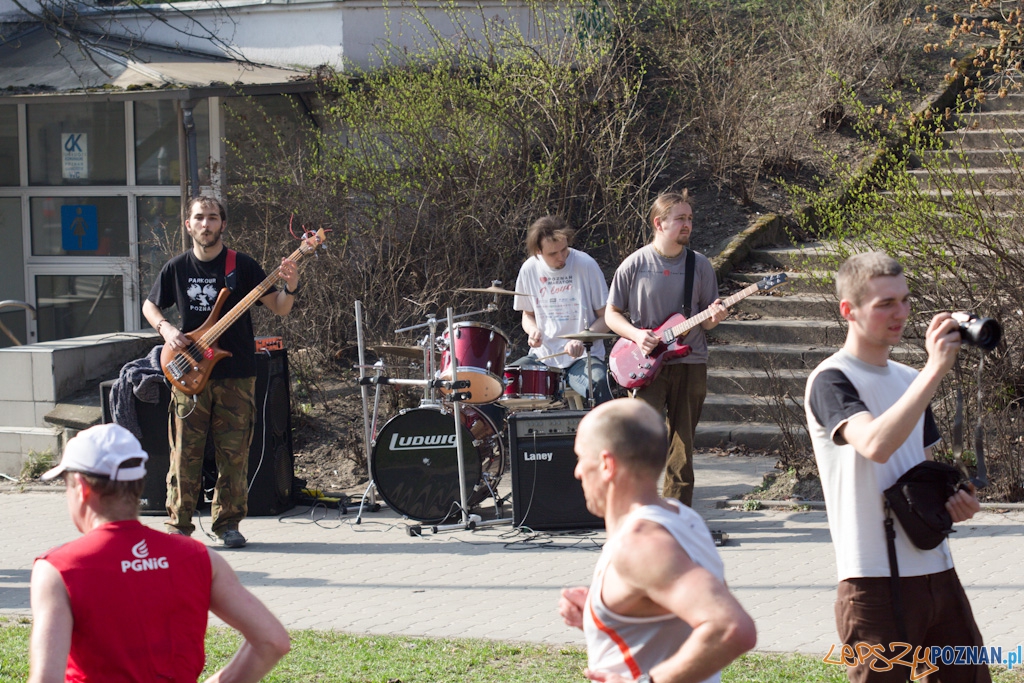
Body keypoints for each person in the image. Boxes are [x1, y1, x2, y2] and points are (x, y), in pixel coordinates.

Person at [804, 252, 988, 683]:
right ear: (848, 310)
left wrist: (954, 502)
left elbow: (918, 472)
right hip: (872, 580)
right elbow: (876, 445)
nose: (900, 313)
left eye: (904, 301)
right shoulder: (831, 378)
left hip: (936, 570)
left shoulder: (909, 379)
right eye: (885, 303)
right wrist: (935, 369)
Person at [29, 423, 290, 683]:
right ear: (138, 484)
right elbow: (272, 640)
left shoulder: (58, 569)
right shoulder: (199, 558)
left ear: (81, 486)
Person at [558, 399, 756, 683]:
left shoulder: (641, 545)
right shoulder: (682, 518)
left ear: (606, 464)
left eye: (580, 457)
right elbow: (673, 616)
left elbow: (731, 627)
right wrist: (598, 617)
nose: (577, 471)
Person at [142, 195, 300, 548]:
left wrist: (290, 284)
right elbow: (150, 305)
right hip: (188, 371)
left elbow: (280, 308)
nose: (206, 224)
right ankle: (178, 526)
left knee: (234, 453)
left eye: (213, 218)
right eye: (199, 218)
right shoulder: (177, 267)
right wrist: (166, 329)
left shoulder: (241, 266)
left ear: (222, 224)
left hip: (236, 372)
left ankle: (227, 524)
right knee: (185, 452)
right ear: (189, 225)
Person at [605, 191, 728, 506]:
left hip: (691, 361)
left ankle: (677, 511)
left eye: (689, 219)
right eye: (680, 219)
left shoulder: (699, 265)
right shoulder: (634, 264)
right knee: (641, 436)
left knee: (683, 443)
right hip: (646, 363)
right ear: (659, 223)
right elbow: (611, 314)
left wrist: (716, 317)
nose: (688, 225)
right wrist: (635, 335)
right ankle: (636, 504)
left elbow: (707, 322)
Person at [513, 215, 613, 405]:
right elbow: (527, 315)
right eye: (553, 254)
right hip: (543, 357)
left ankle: (611, 433)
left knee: (600, 383)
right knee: (501, 384)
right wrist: (532, 330)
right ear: (538, 252)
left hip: (583, 358)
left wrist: (583, 339)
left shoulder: (586, 264)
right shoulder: (529, 269)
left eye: (564, 249)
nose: (561, 257)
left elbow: (607, 318)